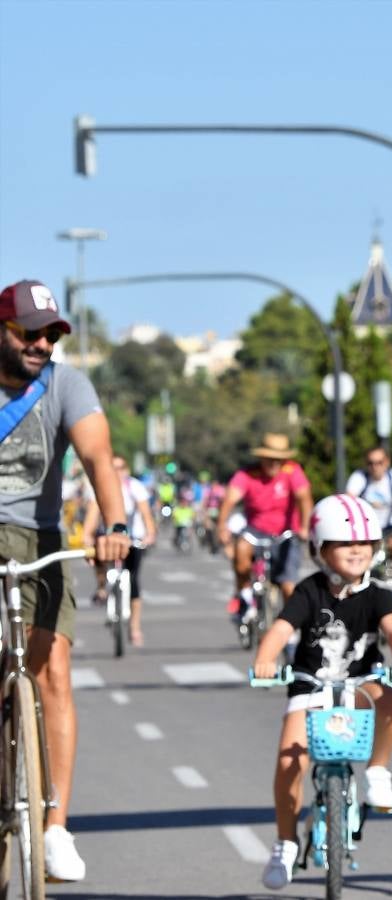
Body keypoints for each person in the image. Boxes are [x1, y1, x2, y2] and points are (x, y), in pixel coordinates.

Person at [0, 280, 130, 881]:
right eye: (29, 331)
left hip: (41, 539)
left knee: (52, 670)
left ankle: (56, 827)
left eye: (51, 333)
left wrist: (116, 523)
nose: (42, 343)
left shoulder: (66, 384)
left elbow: (98, 458)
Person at [251, 494, 392, 891]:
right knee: (290, 760)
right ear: (319, 549)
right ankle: (285, 843)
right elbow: (280, 630)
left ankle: (378, 771)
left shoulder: (379, 593)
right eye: (343, 543)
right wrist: (266, 658)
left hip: (362, 683)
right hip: (310, 684)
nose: (356, 551)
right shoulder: (309, 591)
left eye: (364, 543)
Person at [216, 433, 314, 621]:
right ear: (261, 457)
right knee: (241, 550)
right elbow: (230, 498)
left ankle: (291, 629)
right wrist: (222, 526)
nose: (274, 464)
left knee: (288, 586)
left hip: (285, 533)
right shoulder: (247, 474)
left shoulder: (292, 471)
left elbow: (304, 497)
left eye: (279, 459)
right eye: (269, 459)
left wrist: (304, 526)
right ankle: (244, 597)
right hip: (256, 531)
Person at [82, 455, 156, 646]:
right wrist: (87, 536)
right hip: (105, 537)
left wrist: (150, 534)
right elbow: (92, 514)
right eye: (113, 468)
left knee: (133, 581)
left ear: (127, 470)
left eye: (121, 467)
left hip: (133, 538)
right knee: (97, 558)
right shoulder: (98, 486)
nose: (117, 472)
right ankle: (101, 587)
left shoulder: (135, 487)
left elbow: (146, 513)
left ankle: (135, 627)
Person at [346, 446, 392, 581]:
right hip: (365, 526)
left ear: (386, 462)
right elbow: (349, 501)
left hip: (389, 525)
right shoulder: (359, 477)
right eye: (371, 463)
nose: (375, 467)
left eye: (379, 462)